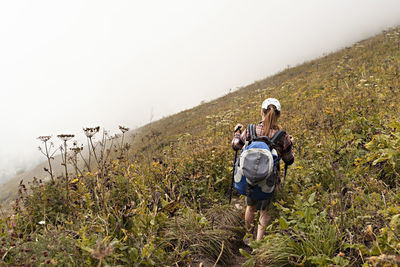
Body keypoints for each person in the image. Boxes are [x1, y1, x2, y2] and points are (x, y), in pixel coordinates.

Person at [231, 98, 294, 241]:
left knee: (250, 207)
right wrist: (290, 144)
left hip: (249, 177)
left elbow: (236, 145)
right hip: (270, 180)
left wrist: (236, 133)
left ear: (261, 112)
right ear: (279, 115)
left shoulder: (250, 129)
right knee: (265, 211)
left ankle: (248, 238)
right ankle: (258, 243)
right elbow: (289, 160)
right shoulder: (282, 136)